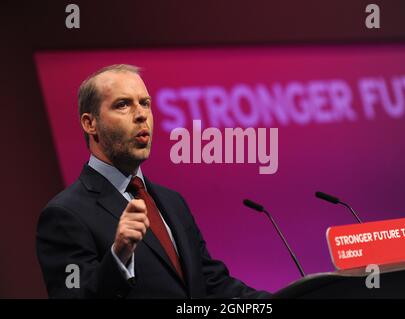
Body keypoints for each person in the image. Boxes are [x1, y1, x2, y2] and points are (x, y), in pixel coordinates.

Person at [36, 64, 270, 299]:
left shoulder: (172, 202)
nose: (141, 114)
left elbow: (210, 283)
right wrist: (119, 256)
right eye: (123, 104)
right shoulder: (64, 215)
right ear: (90, 124)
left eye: (145, 103)